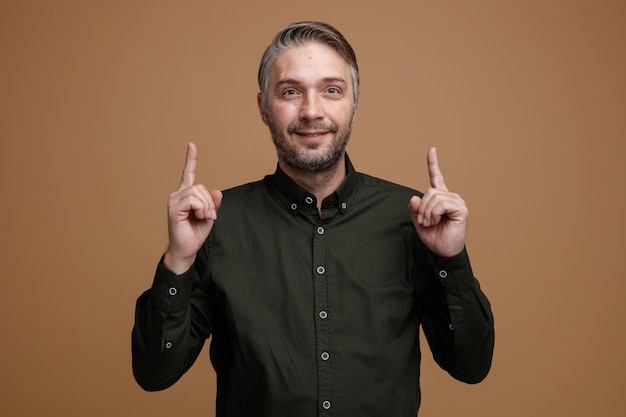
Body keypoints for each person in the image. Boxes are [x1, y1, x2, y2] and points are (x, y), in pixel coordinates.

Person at [132, 21, 494, 416]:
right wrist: (178, 261)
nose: (311, 111)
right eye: (290, 92)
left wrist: (451, 260)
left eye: (331, 90)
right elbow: (154, 372)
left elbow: (471, 366)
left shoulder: (414, 220)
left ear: (354, 102)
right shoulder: (215, 226)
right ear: (263, 108)